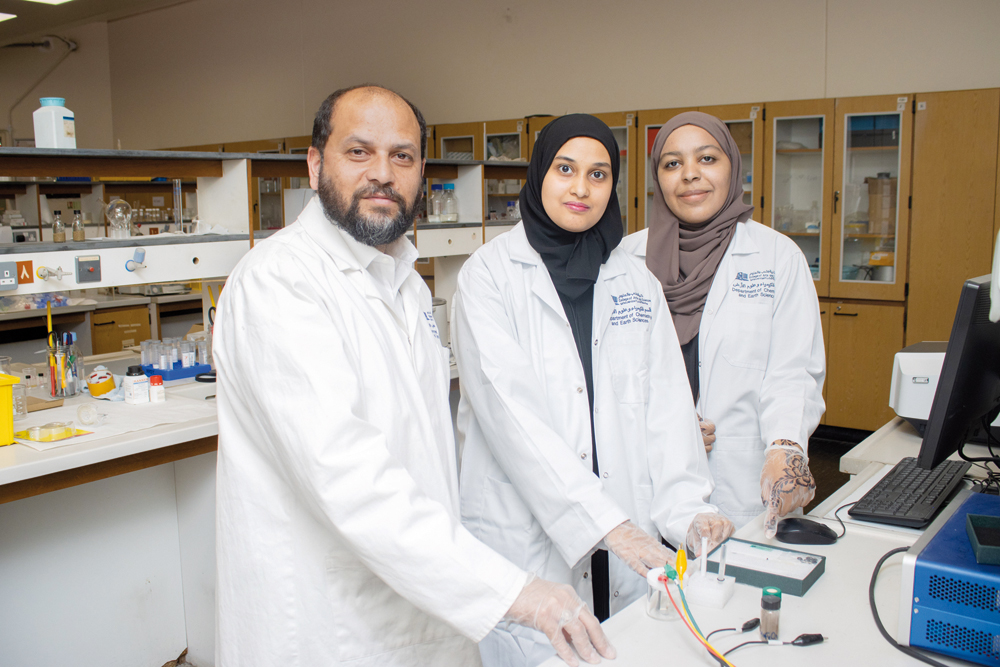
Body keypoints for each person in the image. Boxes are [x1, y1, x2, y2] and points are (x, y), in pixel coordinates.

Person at [213, 86, 615, 667]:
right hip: (326, 622)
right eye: (358, 152)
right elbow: (349, 478)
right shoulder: (279, 283)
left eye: (402, 156)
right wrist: (515, 591)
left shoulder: (405, 280)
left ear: (421, 170)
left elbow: (423, 445)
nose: (382, 173)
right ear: (314, 162)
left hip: (421, 605)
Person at [452, 114, 734, 667]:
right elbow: (514, 421)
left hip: (626, 539)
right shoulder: (489, 277)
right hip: (529, 538)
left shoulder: (633, 279)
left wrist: (687, 509)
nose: (581, 188)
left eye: (599, 174)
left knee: (629, 648)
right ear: (538, 175)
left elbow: (667, 411)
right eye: (565, 169)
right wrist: (611, 526)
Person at [622, 112, 825, 536]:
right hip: (644, 479)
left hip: (742, 482)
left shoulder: (776, 256)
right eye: (672, 164)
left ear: (732, 167)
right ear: (658, 179)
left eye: (707, 159)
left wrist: (785, 447)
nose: (690, 175)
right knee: (654, 597)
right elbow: (606, 376)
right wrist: (667, 428)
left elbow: (792, 371)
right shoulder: (624, 262)